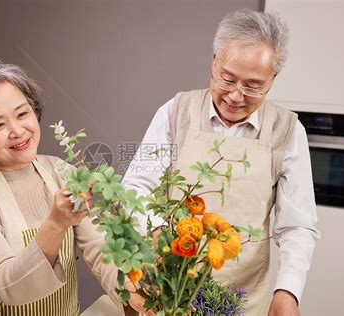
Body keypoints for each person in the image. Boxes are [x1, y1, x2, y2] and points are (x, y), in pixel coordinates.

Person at [122, 9, 320, 316]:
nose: (236, 96)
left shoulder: (287, 131)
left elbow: (297, 225)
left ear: (273, 78)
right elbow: (137, 186)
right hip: (170, 291)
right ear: (214, 60)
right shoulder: (177, 112)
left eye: (253, 86)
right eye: (227, 79)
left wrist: (288, 291)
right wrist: (156, 230)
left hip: (241, 302)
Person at [0, 57, 138, 315]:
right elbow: (10, 287)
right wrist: (56, 223)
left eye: (22, 114)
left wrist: (136, 297)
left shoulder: (61, 172)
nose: (17, 131)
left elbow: (100, 251)